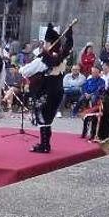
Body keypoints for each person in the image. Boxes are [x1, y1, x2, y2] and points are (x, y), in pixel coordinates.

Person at [21, 22, 74, 153]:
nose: (44, 45)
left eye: (45, 43)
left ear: (50, 44)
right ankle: (45, 144)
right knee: (48, 119)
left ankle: (44, 145)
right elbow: (67, 47)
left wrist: (21, 68)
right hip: (58, 90)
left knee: (43, 118)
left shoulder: (43, 60)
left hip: (46, 91)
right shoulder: (62, 57)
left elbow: (26, 71)